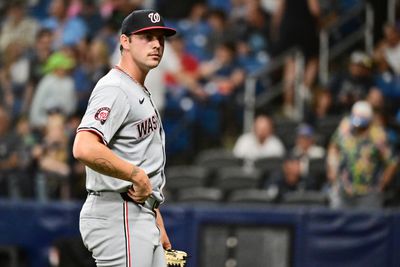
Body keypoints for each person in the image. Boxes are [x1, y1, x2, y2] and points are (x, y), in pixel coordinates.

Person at [72, 9, 176, 266]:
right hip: (118, 212)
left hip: (138, 214)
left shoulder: (135, 88)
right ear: (125, 41)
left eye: (160, 38)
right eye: (146, 37)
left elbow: (137, 155)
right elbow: (83, 147)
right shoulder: (115, 88)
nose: (156, 44)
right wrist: (136, 175)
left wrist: (155, 215)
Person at [326, 100, 398, 209]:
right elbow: (333, 146)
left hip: (369, 194)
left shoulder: (378, 135)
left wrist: (383, 184)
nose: (359, 128)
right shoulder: (345, 126)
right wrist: (332, 166)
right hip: (344, 190)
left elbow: (392, 161)